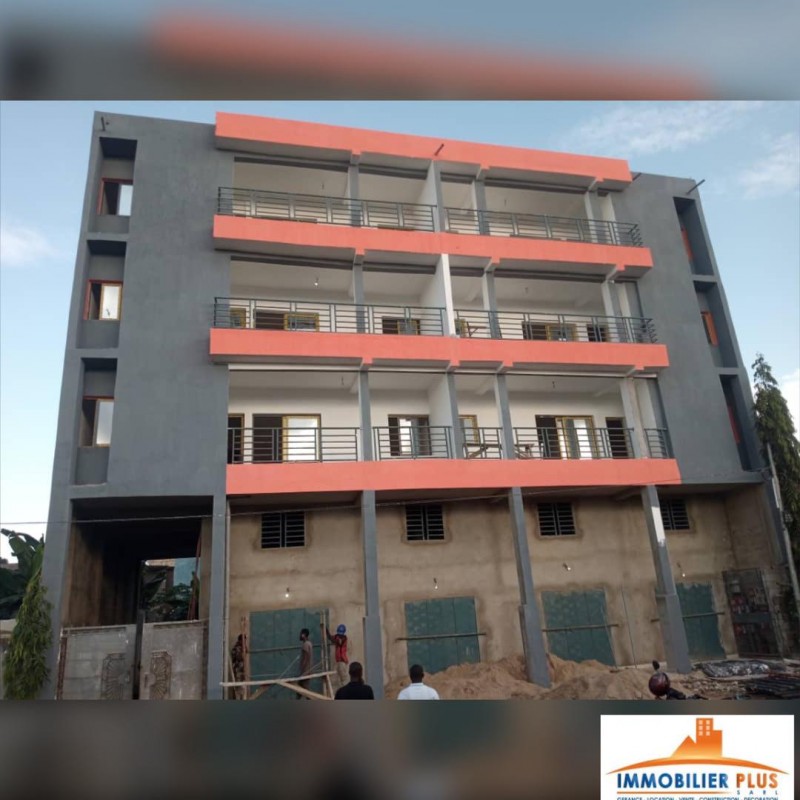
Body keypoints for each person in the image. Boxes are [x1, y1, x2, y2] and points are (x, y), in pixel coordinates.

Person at [325, 623, 349, 688]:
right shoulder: (337, 637)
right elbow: (330, 638)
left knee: (343, 679)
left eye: (341, 634)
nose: (340, 635)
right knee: (339, 679)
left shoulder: (344, 638)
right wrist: (326, 630)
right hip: (338, 661)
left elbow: (338, 642)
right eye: (339, 634)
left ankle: (346, 691)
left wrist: (334, 638)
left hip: (342, 661)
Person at [297, 627, 313, 699]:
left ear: (303, 635)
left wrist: (302, 670)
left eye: (300, 634)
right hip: (308, 670)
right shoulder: (309, 643)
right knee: (299, 688)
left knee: (305, 689)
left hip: (305, 671)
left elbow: (306, 658)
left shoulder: (305, 645)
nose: (299, 635)